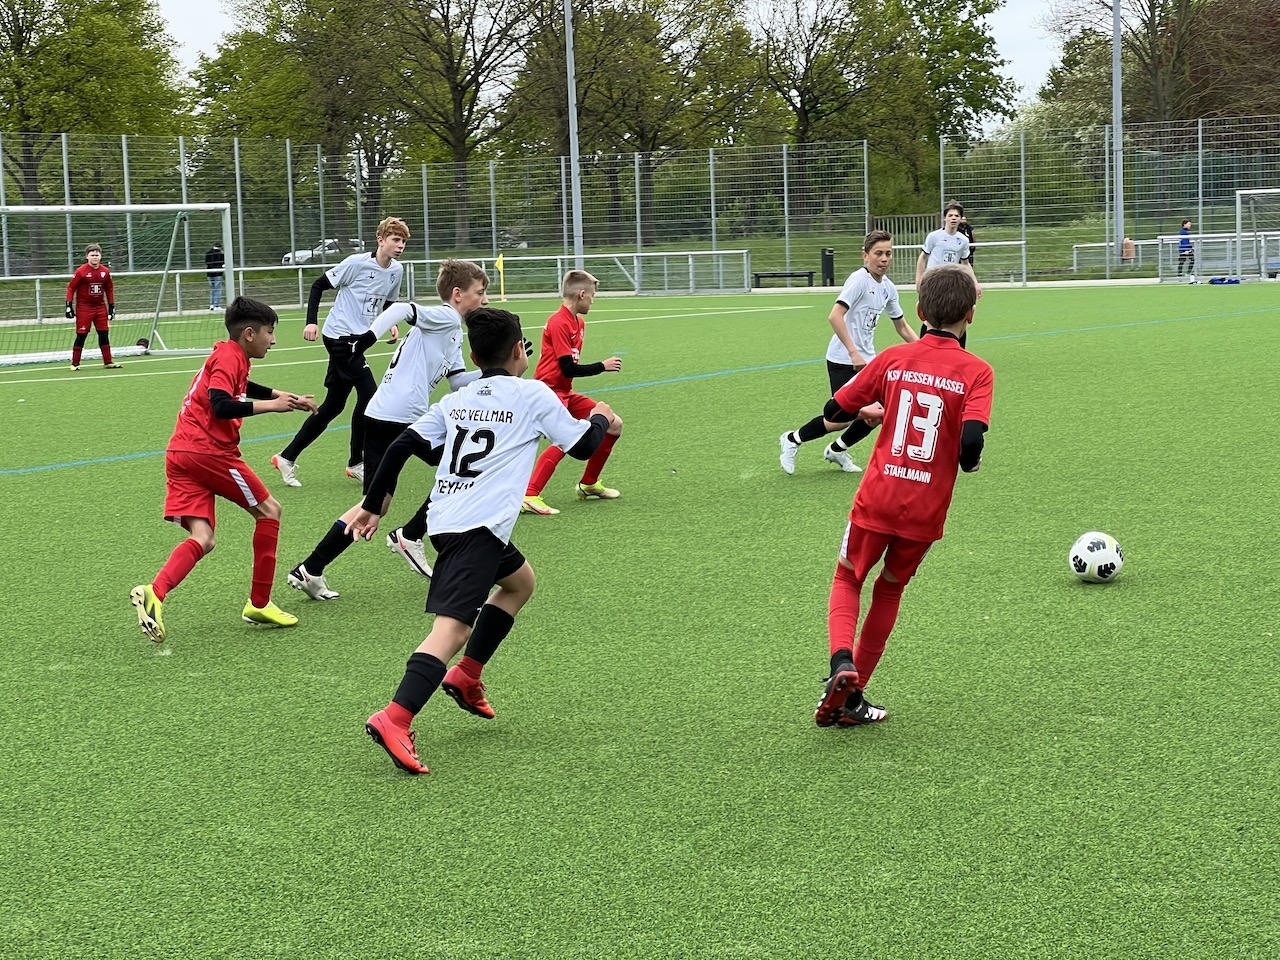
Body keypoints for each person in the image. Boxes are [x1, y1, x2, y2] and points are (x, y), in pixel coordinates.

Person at [350, 307, 617, 774]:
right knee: (452, 629)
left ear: (473, 357)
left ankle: (467, 675)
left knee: (520, 583)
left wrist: (374, 503)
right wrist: (598, 416)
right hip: (475, 529)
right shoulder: (532, 394)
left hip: (449, 520)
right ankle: (395, 717)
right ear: (519, 352)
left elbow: (401, 445)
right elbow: (582, 447)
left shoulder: (459, 398)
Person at [813, 265, 994, 727]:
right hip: (925, 509)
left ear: (919, 312)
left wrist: (874, 410)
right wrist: (970, 462)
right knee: (890, 589)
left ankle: (841, 663)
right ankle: (854, 697)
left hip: (878, 497)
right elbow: (971, 440)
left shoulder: (894, 358)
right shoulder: (978, 371)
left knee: (848, 577)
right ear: (971, 314)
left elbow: (836, 408)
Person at [286, 260, 490, 600]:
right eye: (479, 293)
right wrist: (365, 339)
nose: (484, 300)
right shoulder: (445, 317)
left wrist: (494, 371)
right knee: (464, 470)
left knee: (375, 505)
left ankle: (311, 568)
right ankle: (410, 535)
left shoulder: (452, 329)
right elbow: (401, 308)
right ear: (457, 295)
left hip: (383, 415)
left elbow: (457, 381)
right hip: (401, 417)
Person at [129, 297, 320, 644]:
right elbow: (220, 405)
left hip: (181, 453)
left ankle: (154, 592)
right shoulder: (230, 357)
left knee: (204, 538)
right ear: (249, 333)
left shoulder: (229, 355)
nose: (273, 340)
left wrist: (284, 396)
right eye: (269, 332)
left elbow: (240, 387)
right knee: (270, 511)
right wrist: (272, 406)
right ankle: (259, 603)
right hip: (208, 452)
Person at [271, 217, 410, 488]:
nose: (400, 245)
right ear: (380, 240)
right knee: (370, 396)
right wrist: (311, 322)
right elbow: (318, 285)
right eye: (395, 240)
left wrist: (391, 323)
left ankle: (286, 457)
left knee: (334, 405)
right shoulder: (356, 263)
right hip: (339, 338)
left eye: (403, 241)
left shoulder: (397, 270)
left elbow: (388, 303)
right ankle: (357, 462)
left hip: (360, 340)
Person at [780, 230, 917, 475]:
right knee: (841, 419)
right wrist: (854, 352)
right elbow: (835, 316)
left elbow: (902, 326)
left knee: (881, 413)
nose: (884, 259)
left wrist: (927, 350)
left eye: (888, 253)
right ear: (865, 255)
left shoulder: (888, 288)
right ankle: (792, 439)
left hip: (868, 361)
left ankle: (837, 450)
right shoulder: (859, 280)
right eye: (878, 253)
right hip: (843, 360)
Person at [521, 270, 624, 516]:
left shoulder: (579, 322)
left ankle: (588, 484)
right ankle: (529, 495)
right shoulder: (558, 322)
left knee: (614, 424)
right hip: (547, 393)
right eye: (593, 295)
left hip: (564, 392)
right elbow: (567, 367)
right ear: (582, 294)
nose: (593, 301)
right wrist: (602, 366)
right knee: (566, 437)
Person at [66, 243, 121, 371]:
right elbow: (71, 288)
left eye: (97, 255)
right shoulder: (81, 271)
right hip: (84, 307)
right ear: (87, 256)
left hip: (100, 307)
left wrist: (111, 306)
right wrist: (69, 305)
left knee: (104, 333)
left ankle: (108, 361)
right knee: (82, 334)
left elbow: (109, 289)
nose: (95, 257)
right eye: (92, 255)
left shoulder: (105, 272)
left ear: (100, 256)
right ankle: (75, 363)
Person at [915, 202, 981, 296]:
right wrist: (919, 279)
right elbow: (922, 257)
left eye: (956, 216)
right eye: (950, 215)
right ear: (945, 218)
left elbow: (965, 263)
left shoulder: (963, 240)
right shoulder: (934, 236)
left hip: (951, 282)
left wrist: (975, 283)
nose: (953, 218)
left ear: (960, 219)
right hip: (933, 281)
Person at [205, 242, 226, 310]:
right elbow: (223, 263)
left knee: (212, 289)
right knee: (217, 289)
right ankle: (217, 305)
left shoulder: (208, 253)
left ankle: (212, 304)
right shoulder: (220, 254)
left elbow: (207, 262)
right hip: (218, 273)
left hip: (209, 273)